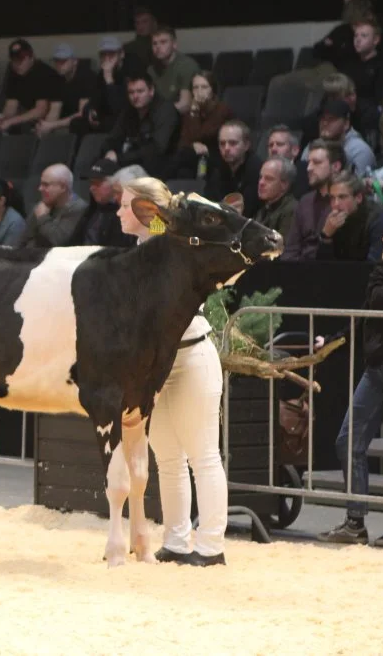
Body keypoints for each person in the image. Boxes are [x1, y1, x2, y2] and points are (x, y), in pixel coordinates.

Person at [115, 177, 228, 566]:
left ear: (146, 210)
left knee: (203, 454)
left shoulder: (175, 246)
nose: (118, 210)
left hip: (191, 355)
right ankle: (177, 541)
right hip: (155, 365)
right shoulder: (139, 250)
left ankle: (211, 546)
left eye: (125, 204)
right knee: (167, 457)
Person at [318, 209, 383, 548]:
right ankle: (355, 521)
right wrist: (332, 340)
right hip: (379, 362)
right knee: (348, 439)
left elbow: (380, 299)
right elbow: (368, 312)